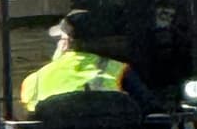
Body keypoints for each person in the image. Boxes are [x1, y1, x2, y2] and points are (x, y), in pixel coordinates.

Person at [18, 9, 152, 114]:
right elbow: (153, 114)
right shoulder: (120, 72)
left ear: (66, 43)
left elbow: (27, 123)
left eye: (60, 39)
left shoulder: (34, 81)